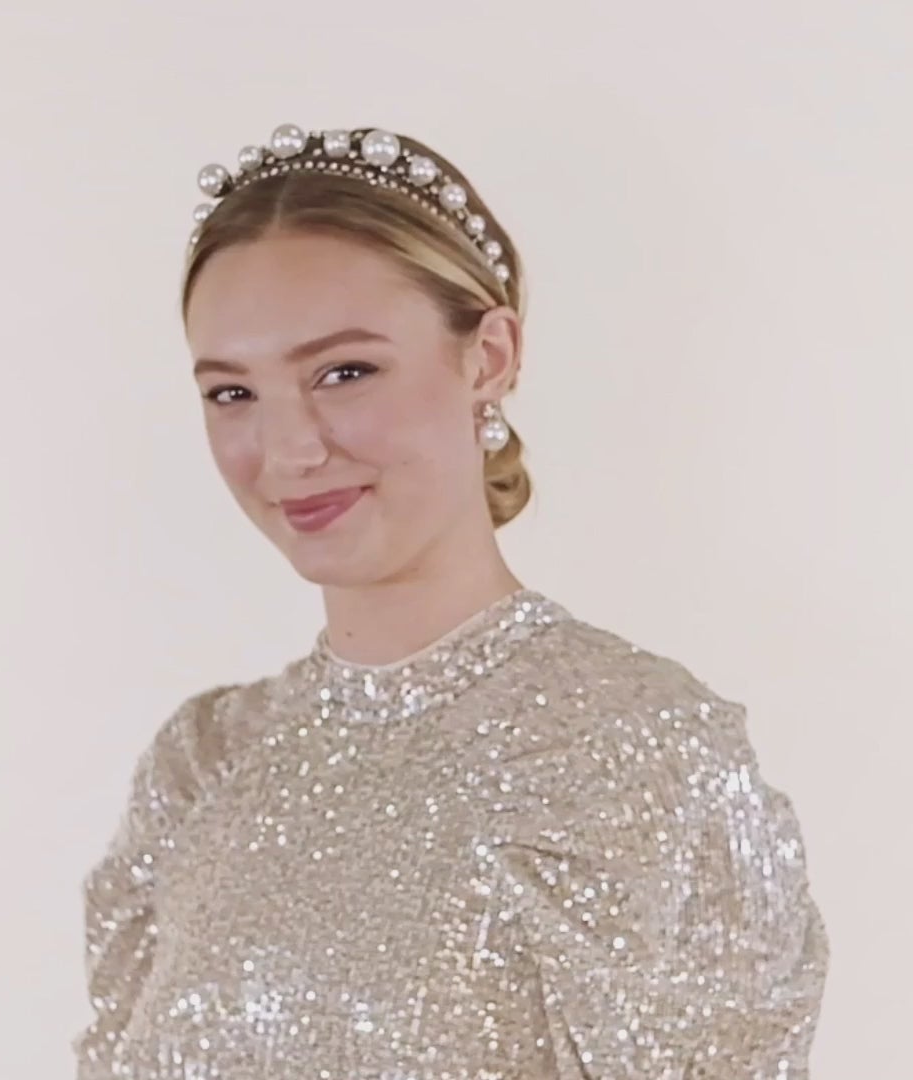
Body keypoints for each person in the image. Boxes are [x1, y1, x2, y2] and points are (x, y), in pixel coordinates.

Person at [72, 123, 829, 1079]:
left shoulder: (627, 750)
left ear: (490, 355)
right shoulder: (204, 766)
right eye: (232, 393)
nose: (288, 448)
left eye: (344, 373)